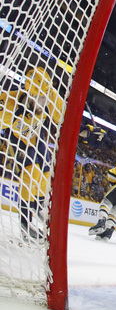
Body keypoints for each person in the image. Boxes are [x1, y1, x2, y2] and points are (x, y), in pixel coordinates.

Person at [0, 66, 64, 243]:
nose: (43, 103)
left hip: (36, 138)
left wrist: (87, 131)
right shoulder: (10, 104)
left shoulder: (48, 94)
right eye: (39, 99)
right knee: (30, 175)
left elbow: (64, 118)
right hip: (18, 139)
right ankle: (25, 224)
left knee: (44, 172)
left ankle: (38, 204)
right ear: (28, 94)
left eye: (44, 98)